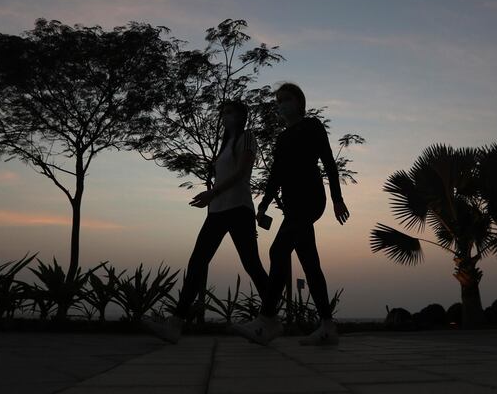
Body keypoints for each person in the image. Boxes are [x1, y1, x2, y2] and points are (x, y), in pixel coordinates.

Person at [233, 82, 350, 346]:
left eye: (285, 99)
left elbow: (329, 163)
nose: (281, 105)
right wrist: (263, 204)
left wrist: (337, 199)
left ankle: (267, 320)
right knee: (310, 263)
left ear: (298, 102)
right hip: (293, 205)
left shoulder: (312, 126)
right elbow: (276, 175)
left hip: (311, 200)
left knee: (278, 251)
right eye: (278, 102)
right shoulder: (282, 138)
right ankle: (328, 326)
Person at [143, 100, 268, 343]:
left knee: (251, 263)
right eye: (224, 112)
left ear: (242, 116)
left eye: (230, 112)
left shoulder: (248, 138)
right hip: (217, 211)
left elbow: (242, 172)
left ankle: (271, 317)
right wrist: (213, 198)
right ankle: (176, 323)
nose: (225, 116)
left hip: (239, 209)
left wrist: (213, 192)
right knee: (197, 262)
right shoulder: (224, 145)